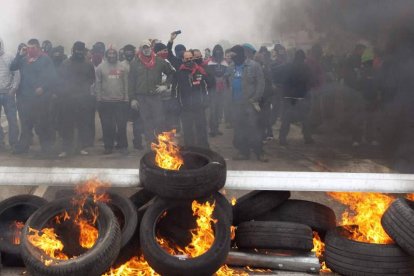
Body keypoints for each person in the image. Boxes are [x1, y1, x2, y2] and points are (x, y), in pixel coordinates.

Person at [10, 38, 58, 157]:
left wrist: (43, 87)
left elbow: (52, 77)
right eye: (28, 48)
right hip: (24, 98)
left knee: (41, 124)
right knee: (26, 124)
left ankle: (46, 148)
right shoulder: (24, 59)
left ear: (38, 48)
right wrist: (19, 54)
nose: (30, 50)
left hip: (39, 99)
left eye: (33, 48)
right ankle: (23, 146)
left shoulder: (45, 59)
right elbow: (13, 67)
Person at [128, 40, 175, 146]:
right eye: (144, 48)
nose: (146, 50)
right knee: (146, 121)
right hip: (142, 97)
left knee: (159, 120)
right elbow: (131, 82)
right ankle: (151, 146)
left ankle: (161, 144)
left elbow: (172, 73)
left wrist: (165, 85)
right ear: (141, 50)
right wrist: (133, 99)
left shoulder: (159, 61)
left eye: (148, 47)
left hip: (155, 96)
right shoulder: (135, 63)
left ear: (151, 48)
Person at [227, 45, 267, 162]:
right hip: (236, 104)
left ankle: (260, 152)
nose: (232, 58)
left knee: (254, 128)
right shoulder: (231, 67)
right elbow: (228, 82)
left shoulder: (254, 66)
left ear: (240, 54)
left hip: (250, 103)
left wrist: (255, 98)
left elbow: (261, 84)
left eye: (234, 55)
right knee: (239, 129)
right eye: (231, 56)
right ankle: (243, 152)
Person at [58, 41, 95, 157]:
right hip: (68, 99)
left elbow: (92, 79)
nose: (79, 52)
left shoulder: (88, 64)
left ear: (83, 51)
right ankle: (66, 148)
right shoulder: (65, 63)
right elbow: (60, 79)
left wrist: (83, 87)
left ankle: (81, 148)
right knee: (67, 124)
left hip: (83, 99)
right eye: (77, 50)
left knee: (82, 124)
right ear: (73, 50)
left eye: (81, 50)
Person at [95, 47, 129, 154]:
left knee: (121, 125)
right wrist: (99, 98)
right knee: (107, 125)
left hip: (120, 101)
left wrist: (126, 98)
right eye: (109, 53)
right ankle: (108, 147)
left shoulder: (123, 67)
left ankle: (123, 146)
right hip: (105, 101)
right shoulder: (100, 67)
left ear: (117, 54)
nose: (112, 55)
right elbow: (98, 83)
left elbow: (126, 84)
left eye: (114, 53)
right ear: (106, 54)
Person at [173, 51, 209, 148]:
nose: (189, 60)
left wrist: (205, 100)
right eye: (186, 59)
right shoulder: (179, 73)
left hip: (199, 106)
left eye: (190, 58)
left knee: (201, 128)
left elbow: (205, 86)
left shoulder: (200, 71)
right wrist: (178, 104)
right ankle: (190, 149)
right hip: (185, 107)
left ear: (193, 58)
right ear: (183, 60)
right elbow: (175, 90)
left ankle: (204, 148)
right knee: (187, 129)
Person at [278, 50, 313, 146]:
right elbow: (310, 81)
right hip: (301, 96)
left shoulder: (288, 67)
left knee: (286, 118)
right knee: (305, 118)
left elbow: (283, 80)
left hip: (288, 96)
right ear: (303, 58)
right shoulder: (306, 68)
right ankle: (307, 138)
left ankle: (282, 138)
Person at [0, 37, 20, 150]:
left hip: (8, 94)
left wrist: (13, 89)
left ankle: (14, 143)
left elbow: (16, 74)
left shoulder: (10, 56)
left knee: (12, 119)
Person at [207, 44, 229, 137]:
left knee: (219, 110)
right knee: (213, 110)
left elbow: (228, 75)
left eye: (220, 52)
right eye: (217, 52)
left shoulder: (225, 63)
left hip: (222, 89)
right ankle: (212, 129)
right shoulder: (209, 63)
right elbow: (208, 75)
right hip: (213, 90)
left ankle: (216, 128)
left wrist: (224, 80)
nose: (218, 53)